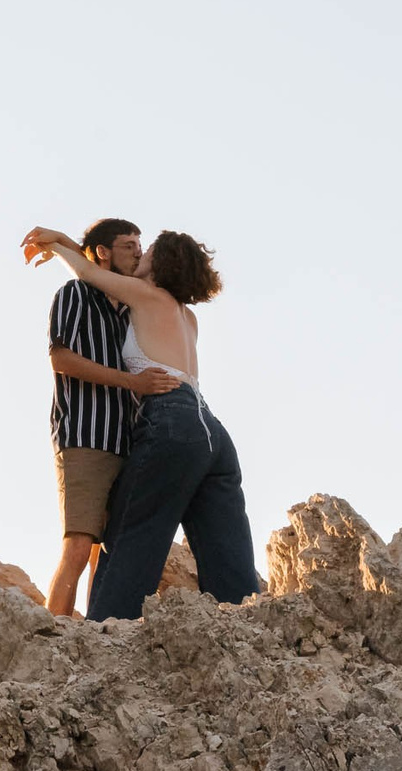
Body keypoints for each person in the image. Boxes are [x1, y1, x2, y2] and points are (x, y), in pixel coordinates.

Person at [22, 225, 261, 619]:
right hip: (212, 431)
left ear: (159, 264)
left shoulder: (148, 296)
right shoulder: (187, 317)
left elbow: (89, 274)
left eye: (146, 251)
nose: (139, 255)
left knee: (134, 532)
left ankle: (106, 631)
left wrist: (60, 241)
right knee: (226, 549)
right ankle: (249, 628)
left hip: (173, 420)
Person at [42, 217, 181, 616]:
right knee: (79, 546)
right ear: (103, 253)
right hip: (85, 435)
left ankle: (89, 635)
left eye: (140, 244)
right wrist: (130, 381)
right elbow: (60, 357)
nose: (138, 251)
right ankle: (52, 640)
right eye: (127, 245)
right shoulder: (75, 294)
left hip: (128, 441)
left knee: (105, 552)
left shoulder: (130, 308)